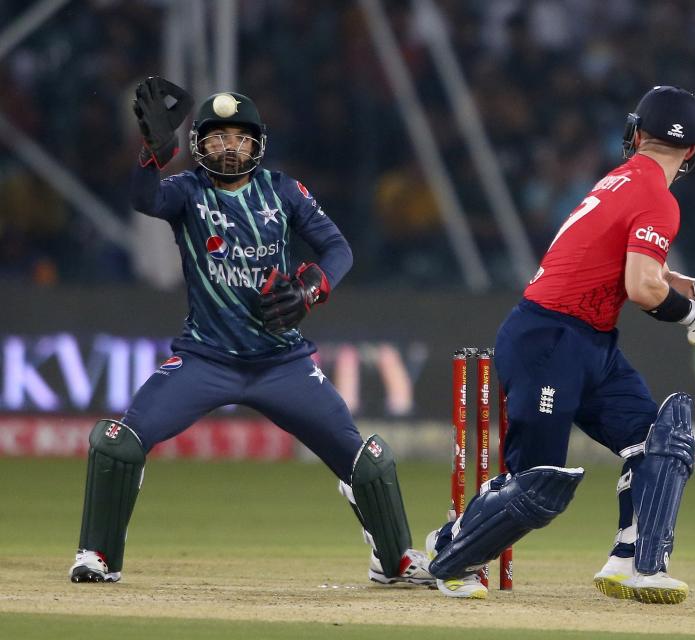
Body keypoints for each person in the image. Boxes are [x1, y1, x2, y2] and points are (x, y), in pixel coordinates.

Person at [68, 77, 432, 588]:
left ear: (257, 143)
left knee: (366, 462)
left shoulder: (284, 190)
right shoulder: (186, 191)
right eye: (216, 137)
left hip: (282, 363)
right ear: (199, 145)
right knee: (118, 444)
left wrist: (311, 290)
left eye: (239, 137)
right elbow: (143, 198)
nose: (229, 147)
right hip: (205, 359)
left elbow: (339, 251)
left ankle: (393, 561)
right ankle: (98, 555)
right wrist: (152, 152)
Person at [425, 86, 695, 601]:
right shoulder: (657, 197)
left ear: (635, 133)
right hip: (550, 340)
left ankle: (632, 562)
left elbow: (639, 270)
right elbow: (642, 287)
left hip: (587, 340)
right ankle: (451, 555)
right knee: (538, 486)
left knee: (659, 441)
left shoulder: (623, 181)